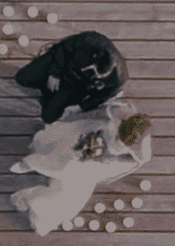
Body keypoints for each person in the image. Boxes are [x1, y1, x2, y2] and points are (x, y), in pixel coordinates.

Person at [12, 108, 154, 235]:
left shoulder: (137, 152)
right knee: (64, 150)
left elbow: (141, 159)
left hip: (98, 163)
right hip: (91, 137)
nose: (120, 140)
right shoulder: (123, 112)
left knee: (69, 174)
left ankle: (34, 167)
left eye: (125, 141)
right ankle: (34, 160)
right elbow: (101, 111)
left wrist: (105, 158)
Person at [12, 30, 128, 122]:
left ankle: (49, 95)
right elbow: (63, 48)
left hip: (75, 86)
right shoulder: (89, 39)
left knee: (48, 117)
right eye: (95, 69)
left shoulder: (119, 79)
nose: (96, 74)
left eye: (101, 75)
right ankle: (47, 88)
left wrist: (80, 107)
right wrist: (54, 73)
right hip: (61, 65)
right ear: (95, 55)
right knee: (22, 78)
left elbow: (102, 97)